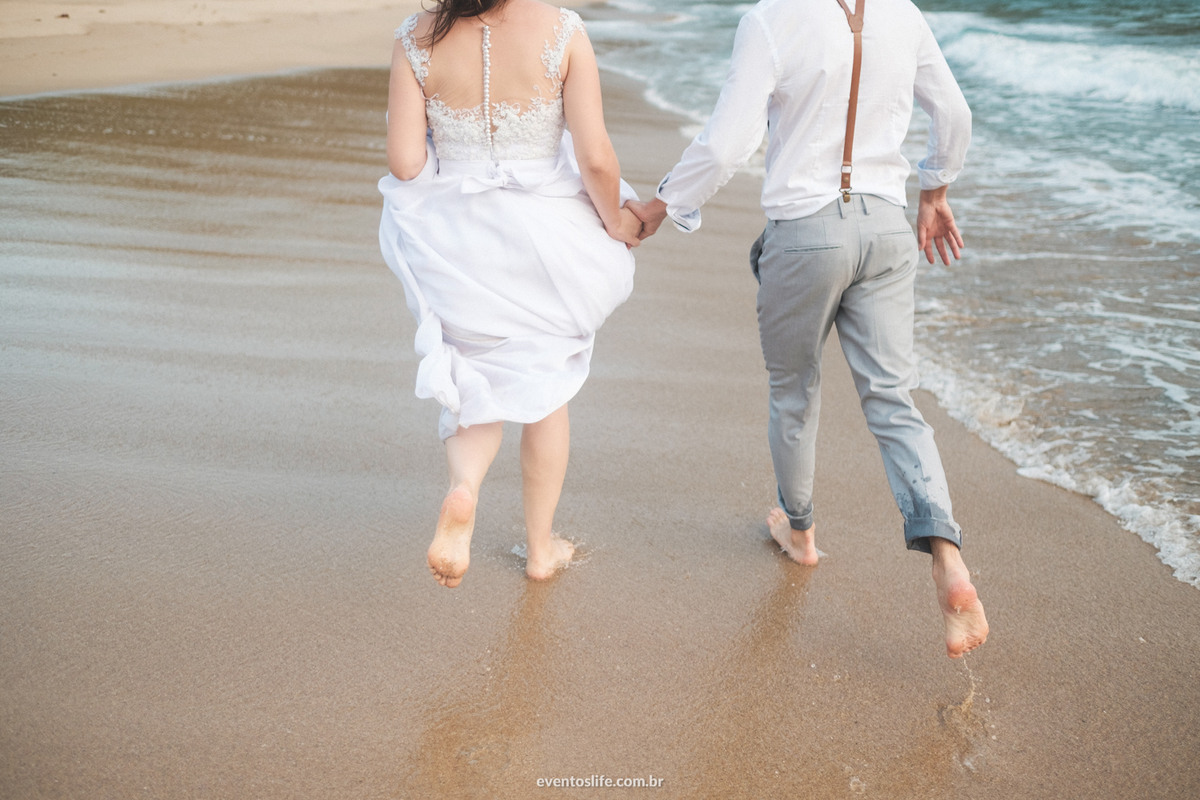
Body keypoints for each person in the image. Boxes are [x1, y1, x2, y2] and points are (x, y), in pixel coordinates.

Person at [627, 0, 989, 658]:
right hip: (884, 227)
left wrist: (661, 205)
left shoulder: (772, 18)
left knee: (795, 390)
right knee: (894, 401)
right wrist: (935, 190)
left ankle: (800, 534)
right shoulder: (901, 12)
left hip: (805, 234)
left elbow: (729, 143)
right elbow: (955, 115)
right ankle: (948, 557)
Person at [379, 0, 644, 587]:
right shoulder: (563, 30)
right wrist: (617, 224)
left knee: (473, 373)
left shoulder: (414, 37)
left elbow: (404, 162)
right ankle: (541, 549)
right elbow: (596, 156)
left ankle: (464, 487)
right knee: (545, 387)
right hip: (542, 242)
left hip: (458, 240)